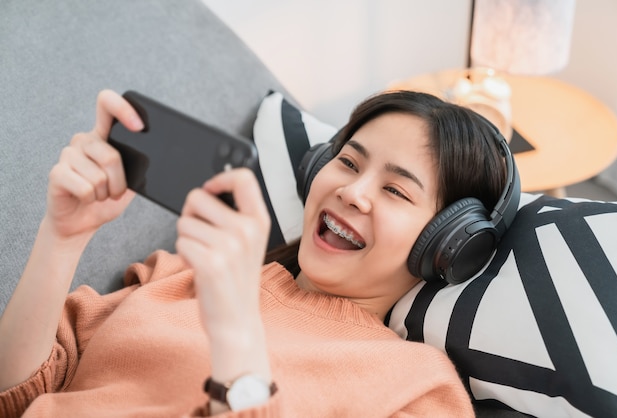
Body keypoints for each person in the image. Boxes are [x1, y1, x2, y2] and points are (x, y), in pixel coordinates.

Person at [0, 89, 507, 417]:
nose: (354, 192)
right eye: (349, 162)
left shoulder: (418, 388)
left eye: (397, 191)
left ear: (447, 243)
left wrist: (235, 332)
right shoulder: (178, 274)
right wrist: (61, 237)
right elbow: (17, 394)